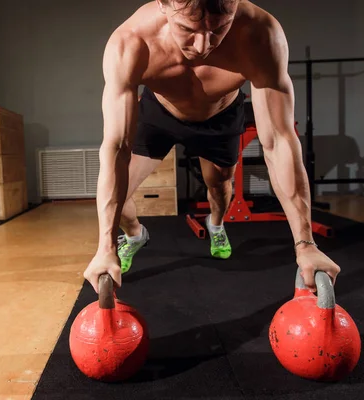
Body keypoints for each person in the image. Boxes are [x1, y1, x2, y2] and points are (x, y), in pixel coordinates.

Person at [83, 0, 341, 294]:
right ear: (163, 5)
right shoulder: (131, 42)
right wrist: (105, 247)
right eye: (186, 29)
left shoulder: (259, 34)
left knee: (219, 186)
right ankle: (134, 234)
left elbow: (279, 140)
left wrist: (305, 244)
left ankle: (216, 224)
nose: (204, 45)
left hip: (221, 117)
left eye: (219, 29)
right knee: (121, 189)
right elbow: (116, 146)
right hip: (159, 114)